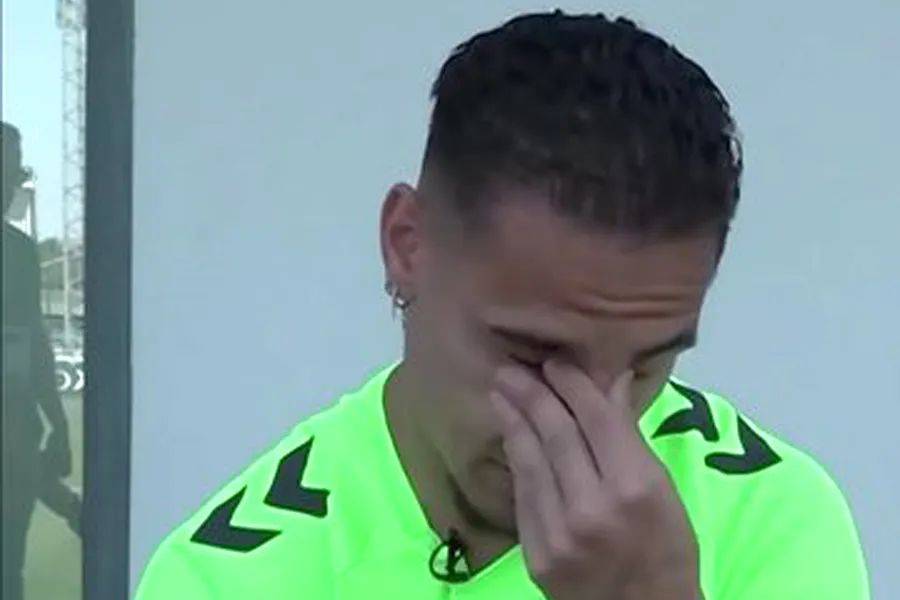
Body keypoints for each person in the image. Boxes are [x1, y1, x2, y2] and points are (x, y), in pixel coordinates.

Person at [136, 12, 869, 599]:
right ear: (406, 244)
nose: (594, 424)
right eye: (535, 356)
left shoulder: (773, 514)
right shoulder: (228, 576)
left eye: (648, 366)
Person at [2, 122, 81, 600]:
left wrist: (57, 422)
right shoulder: (16, 253)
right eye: (7, 173)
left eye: (15, 174)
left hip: (15, 423)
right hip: (15, 426)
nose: (11, 186)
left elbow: (33, 343)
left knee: (9, 569)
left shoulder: (18, 253)